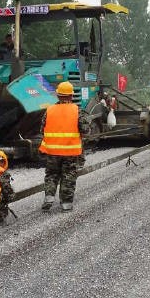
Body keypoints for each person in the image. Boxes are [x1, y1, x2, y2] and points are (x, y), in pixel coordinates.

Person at [39, 81, 90, 212]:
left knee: (51, 174)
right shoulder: (77, 111)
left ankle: (49, 197)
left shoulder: (49, 110)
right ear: (71, 96)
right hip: (71, 152)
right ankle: (66, 204)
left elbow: (42, 130)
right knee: (68, 175)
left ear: (57, 96)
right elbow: (85, 130)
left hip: (52, 151)